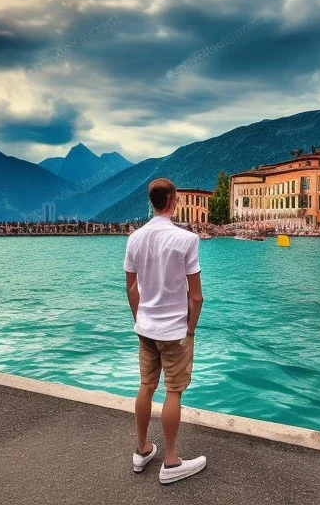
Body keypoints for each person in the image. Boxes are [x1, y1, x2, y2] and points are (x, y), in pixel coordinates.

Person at [123, 178, 206, 484]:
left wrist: (140, 318)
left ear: (151, 201)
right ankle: (171, 462)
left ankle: (142, 449)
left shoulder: (135, 238)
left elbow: (132, 287)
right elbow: (195, 295)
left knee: (146, 385)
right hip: (175, 330)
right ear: (173, 200)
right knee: (173, 391)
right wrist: (191, 329)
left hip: (145, 326)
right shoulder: (186, 239)